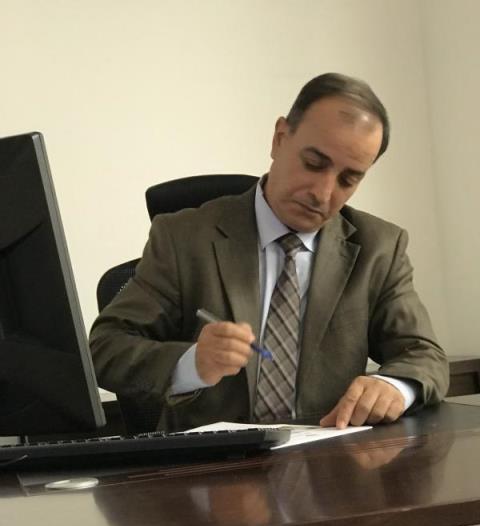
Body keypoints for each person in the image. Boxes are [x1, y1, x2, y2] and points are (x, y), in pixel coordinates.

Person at [89, 72, 448, 432]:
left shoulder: (379, 247)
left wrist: (394, 387)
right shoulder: (184, 238)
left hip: (329, 454)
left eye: (348, 179)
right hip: (211, 460)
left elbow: (424, 355)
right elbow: (105, 349)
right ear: (279, 139)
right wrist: (191, 363)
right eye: (314, 163)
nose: (323, 193)